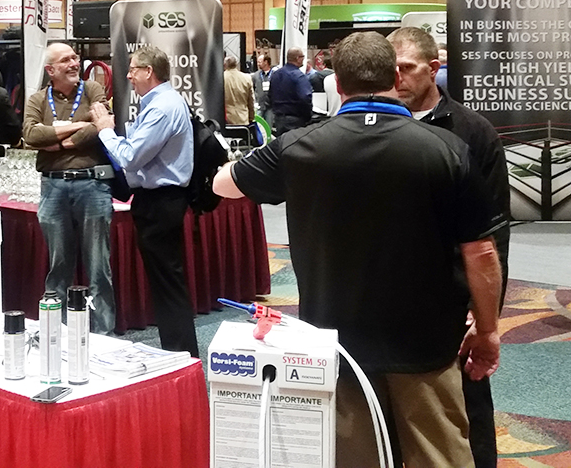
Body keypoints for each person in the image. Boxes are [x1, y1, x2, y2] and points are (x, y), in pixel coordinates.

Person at [213, 31, 505, 467]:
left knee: (353, 458)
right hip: (426, 342)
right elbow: (481, 253)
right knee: (440, 455)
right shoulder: (448, 149)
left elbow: (223, 186)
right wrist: (487, 330)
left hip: (338, 341)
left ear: (337, 83)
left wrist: (235, 164)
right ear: (392, 75)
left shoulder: (300, 146)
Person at [389, 26, 510, 468]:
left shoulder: (472, 132)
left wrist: (486, 316)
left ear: (433, 69)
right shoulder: (380, 127)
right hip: (391, 297)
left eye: (407, 68)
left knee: (468, 406)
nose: (397, 77)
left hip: (456, 297)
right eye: (391, 69)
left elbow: (495, 235)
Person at [90, 45, 197, 355]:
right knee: (166, 284)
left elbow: (131, 157)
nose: (128, 75)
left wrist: (106, 131)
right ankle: (178, 352)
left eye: (133, 69)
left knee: (168, 285)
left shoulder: (162, 107)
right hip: (159, 201)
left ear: (149, 72)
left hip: (160, 203)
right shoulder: (163, 102)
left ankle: (181, 355)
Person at [22, 42, 116, 334]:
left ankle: (103, 331)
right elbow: (30, 135)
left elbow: (100, 126)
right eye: (66, 60)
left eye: (75, 57)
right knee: (58, 264)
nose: (74, 63)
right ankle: (55, 331)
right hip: (53, 188)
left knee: (99, 265)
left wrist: (58, 139)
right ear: (51, 70)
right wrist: (79, 124)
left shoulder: (93, 90)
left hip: (92, 185)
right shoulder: (37, 99)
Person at [268, 47, 312, 135]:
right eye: (302, 57)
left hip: (279, 119)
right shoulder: (299, 76)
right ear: (297, 58)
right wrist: (308, 116)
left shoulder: (275, 74)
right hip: (296, 119)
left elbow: (270, 95)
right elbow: (305, 97)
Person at [221, 55, 255, 125]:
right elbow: (251, 100)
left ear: (225, 65)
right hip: (243, 119)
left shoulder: (221, 78)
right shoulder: (247, 78)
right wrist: (251, 117)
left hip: (226, 119)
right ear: (236, 64)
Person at [250, 52, 274, 127]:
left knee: (268, 126)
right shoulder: (256, 75)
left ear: (266, 62)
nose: (258, 64)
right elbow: (252, 89)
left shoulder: (274, 74)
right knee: (257, 126)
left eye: (259, 62)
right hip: (259, 105)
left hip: (271, 106)